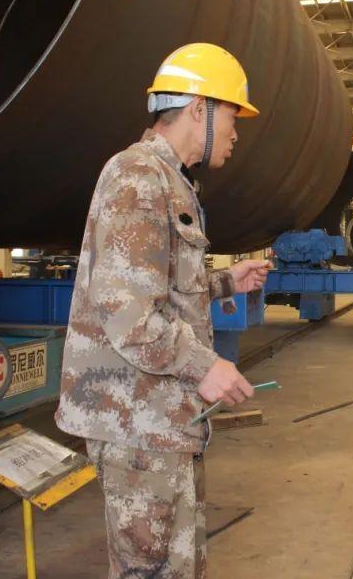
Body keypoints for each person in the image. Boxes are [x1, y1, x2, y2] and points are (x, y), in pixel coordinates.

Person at [56, 43, 271, 578]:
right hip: (136, 423)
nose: (236, 133)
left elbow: (160, 288)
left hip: (162, 420)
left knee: (177, 566)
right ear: (200, 109)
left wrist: (227, 281)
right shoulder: (137, 176)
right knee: (149, 571)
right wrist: (206, 366)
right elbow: (128, 316)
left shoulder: (171, 180)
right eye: (232, 116)